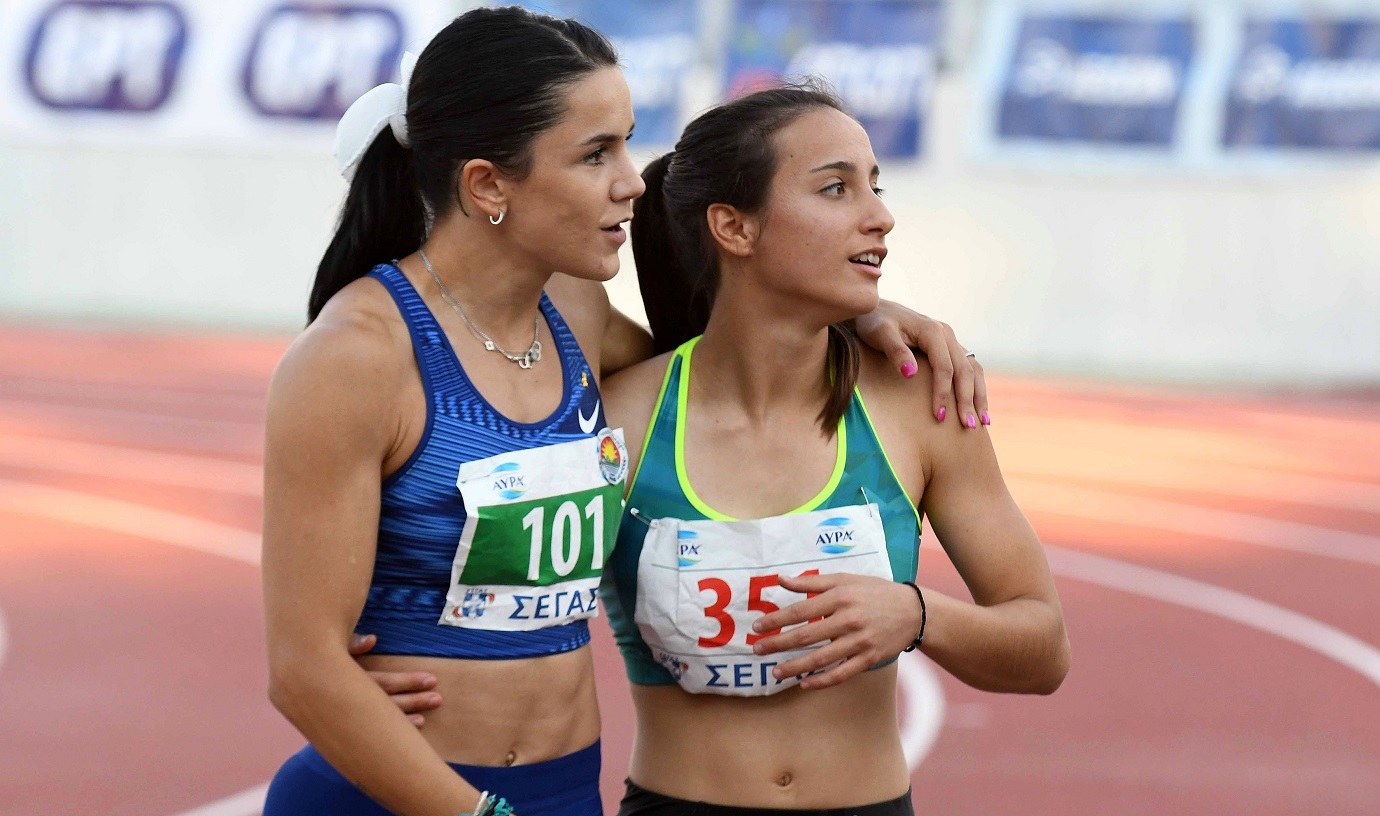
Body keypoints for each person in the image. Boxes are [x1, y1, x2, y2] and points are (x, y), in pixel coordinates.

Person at [262, 7, 989, 816]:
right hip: (403, 797)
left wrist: (857, 316)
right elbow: (303, 671)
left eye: (627, 143)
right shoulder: (356, 356)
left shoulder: (574, 315)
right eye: (595, 153)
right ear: (488, 184)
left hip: (564, 789)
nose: (633, 182)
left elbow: (723, 361)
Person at [595, 86, 1070, 812]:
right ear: (733, 226)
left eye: (875, 186)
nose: (880, 215)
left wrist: (916, 615)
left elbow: (1043, 649)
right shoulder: (619, 419)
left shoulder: (921, 403)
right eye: (836, 188)